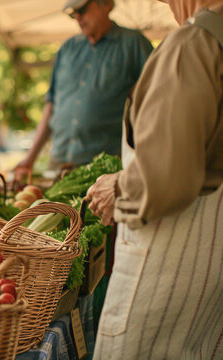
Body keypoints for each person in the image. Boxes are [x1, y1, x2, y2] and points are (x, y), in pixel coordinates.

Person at [85, 2, 222, 358]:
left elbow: (165, 182)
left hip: (164, 271)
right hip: (207, 272)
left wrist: (117, 187)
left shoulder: (192, 45)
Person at [14, 0, 153, 180]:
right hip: (59, 166)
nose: (77, 17)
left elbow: (157, 101)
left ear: (107, 4)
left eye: (82, 9)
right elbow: (51, 108)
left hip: (105, 171)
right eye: (73, 13)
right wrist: (29, 159)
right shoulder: (67, 49)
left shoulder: (133, 43)